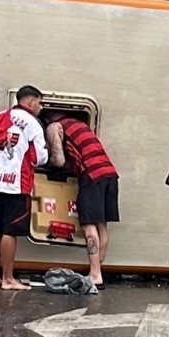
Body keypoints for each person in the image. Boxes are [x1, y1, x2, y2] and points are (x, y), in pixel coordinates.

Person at [43, 109, 120, 286]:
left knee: (89, 226)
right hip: (110, 174)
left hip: (91, 175)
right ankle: (97, 271)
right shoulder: (81, 126)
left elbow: (59, 160)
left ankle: (95, 274)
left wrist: (47, 161)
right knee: (101, 225)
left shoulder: (54, 127)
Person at [0, 85, 47, 291]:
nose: (41, 107)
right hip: (17, 183)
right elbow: (39, 157)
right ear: (30, 102)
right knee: (10, 231)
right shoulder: (32, 124)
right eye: (39, 103)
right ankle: (8, 278)